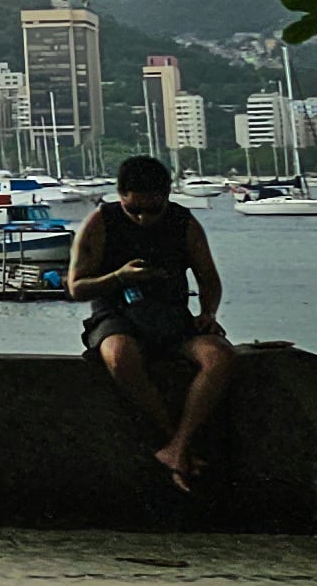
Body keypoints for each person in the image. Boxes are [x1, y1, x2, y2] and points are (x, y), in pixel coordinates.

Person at [66, 154, 237, 492]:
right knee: (119, 355)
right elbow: (75, 287)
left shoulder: (184, 224)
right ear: (120, 196)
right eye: (134, 211)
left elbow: (209, 279)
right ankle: (175, 441)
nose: (143, 218)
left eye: (152, 210)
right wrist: (118, 276)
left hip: (171, 313)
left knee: (220, 358)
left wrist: (208, 313)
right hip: (116, 315)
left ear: (167, 196)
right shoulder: (100, 223)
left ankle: (177, 446)